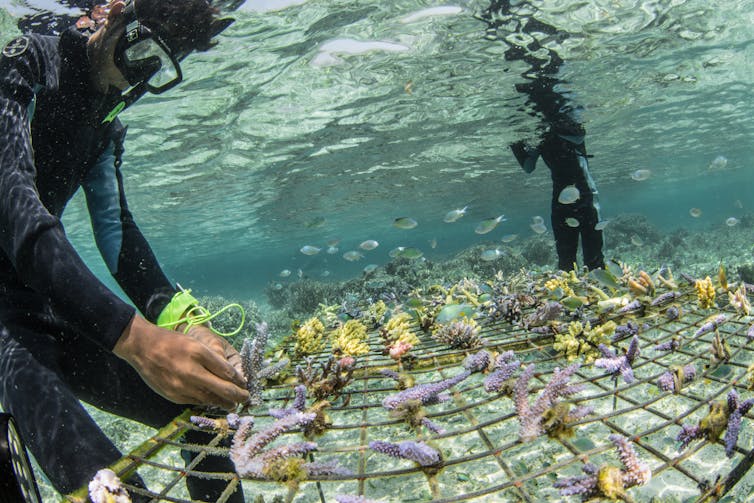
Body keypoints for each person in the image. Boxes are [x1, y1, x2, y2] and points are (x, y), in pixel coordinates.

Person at [0, 0, 249, 501]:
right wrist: (137, 341)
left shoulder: (105, 119)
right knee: (110, 488)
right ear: (114, 13)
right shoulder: (24, 66)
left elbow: (117, 233)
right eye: (142, 53)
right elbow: (13, 206)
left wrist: (182, 321)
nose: (132, 80)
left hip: (37, 299)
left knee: (204, 417)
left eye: (157, 65)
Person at [479, 0, 605, 271]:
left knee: (596, 262)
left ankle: (525, 24)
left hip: (584, 194)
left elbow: (577, 138)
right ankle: (502, 24)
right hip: (559, 199)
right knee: (565, 264)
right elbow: (528, 167)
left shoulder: (565, 122)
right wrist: (519, 142)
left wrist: (547, 131)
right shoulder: (540, 131)